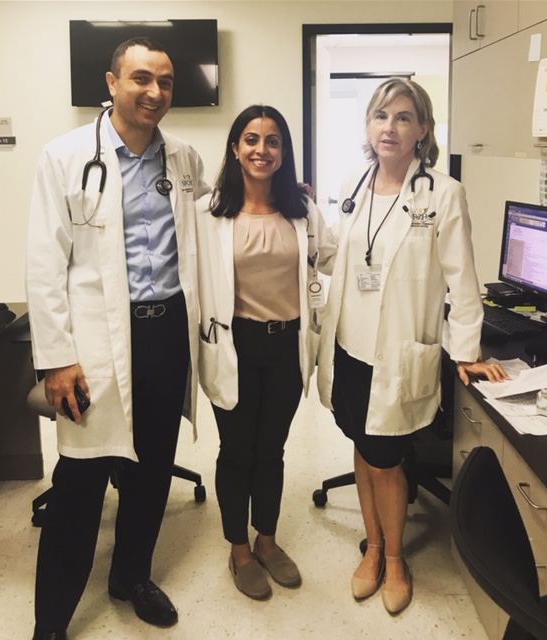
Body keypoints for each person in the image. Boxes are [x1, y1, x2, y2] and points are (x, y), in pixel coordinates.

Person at [25, 37, 210, 639]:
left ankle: (130, 575)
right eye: (140, 79)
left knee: (153, 469)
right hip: (96, 342)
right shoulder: (65, 155)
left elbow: (207, 230)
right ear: (111, 82)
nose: (154, 92)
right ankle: (52, 619)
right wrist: (56, 360)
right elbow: (43, 263)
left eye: (165, 81)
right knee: (79, 479)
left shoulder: (183, 159)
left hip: (165, 334)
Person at [315, 77, 508, 615]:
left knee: (386, 460)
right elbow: (339, 253)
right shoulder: (356, 182)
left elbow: (463, 280)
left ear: (423, 129)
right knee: (360, 441)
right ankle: (372, 546)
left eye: (403, 117)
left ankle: (394, 558)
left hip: (398, 350)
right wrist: (300, 231)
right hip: (350, 344)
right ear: (368, 126)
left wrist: (466, 349)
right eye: (381, 116)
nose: (390, 127)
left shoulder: (443, 194)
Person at [195, 105, 337, 600]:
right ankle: (238, 548)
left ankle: (268, 541)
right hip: (233, 343)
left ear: (284, 152)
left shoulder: (303, 211)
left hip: (287, 345)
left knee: (271, 451)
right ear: (235, 148)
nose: (262, 149)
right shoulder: (207, 213)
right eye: (251, 139)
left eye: (273, 141)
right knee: (236, 451)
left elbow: (333, 256)